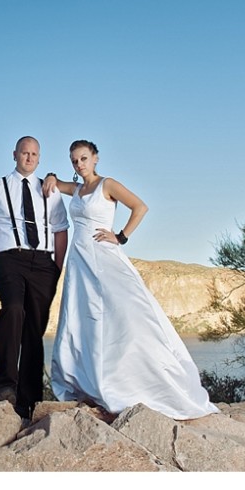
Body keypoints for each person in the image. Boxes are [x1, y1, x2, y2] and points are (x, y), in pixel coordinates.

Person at [42, 139, 218, 420]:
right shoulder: (76, 189)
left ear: (95, 158)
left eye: (84, 158)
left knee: (124, 313)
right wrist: (51, 175)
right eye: (74, 160)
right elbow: (57, 183)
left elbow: (141, 207)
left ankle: (137, 382)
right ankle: (89, 382)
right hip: (80, 260)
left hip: (103, 256)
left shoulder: (107, 185)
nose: (79, 164)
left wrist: (121, 236)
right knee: (83, 318)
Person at [0, 136, 69, 420]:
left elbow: (61, 229)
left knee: (34, 330)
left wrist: (57, 268)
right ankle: (6, 386)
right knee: (13, 310)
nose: (29, 158)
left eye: (34, 154)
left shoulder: (49, 190)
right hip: (9, 258)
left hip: (43, 263)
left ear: (39, 158)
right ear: (15, 155)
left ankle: (28, 402)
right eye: (24, 153)